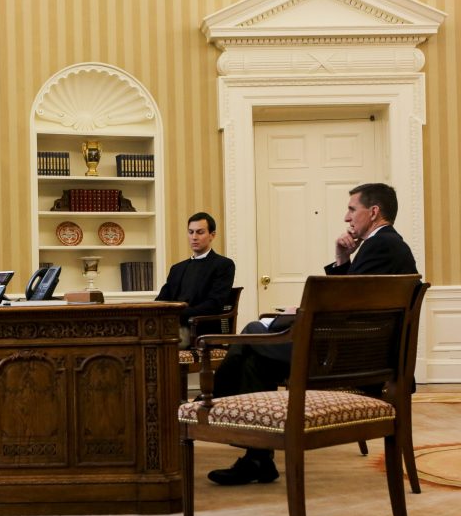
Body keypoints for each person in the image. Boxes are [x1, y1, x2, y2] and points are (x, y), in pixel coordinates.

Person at [207, 182, 418, 486]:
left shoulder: (381, 245)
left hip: (349, 361)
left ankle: (219, 405)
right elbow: (354, 301)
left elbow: (341, 310)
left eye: (351, 209)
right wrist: (342, 258)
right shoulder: (386, 244)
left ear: (373, 212)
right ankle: (258, 460)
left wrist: (303, 313)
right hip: (362, 355)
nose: (347, 218)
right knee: (255, 361)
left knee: (253, 334)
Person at [156, 212, 236, 348]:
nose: (194, 237)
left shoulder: (223, 265)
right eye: (191, 232)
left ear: (212, 235)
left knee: (152, 343)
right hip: (171, 325)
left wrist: (175, 315)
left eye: (200, 232)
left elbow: (214, 304)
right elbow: (162, 299)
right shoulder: (177, 268)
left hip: (199, 329)